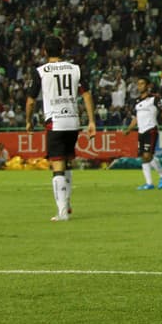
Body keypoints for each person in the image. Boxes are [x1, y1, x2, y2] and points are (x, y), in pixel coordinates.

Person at [24, 35, 97, 222]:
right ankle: (67, 203)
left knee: (57, 166)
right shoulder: (75, 69)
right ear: (62, 50)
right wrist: (91, 121)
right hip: (73, 121)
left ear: (44, 51)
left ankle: (62, 212)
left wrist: (28, 121)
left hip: (55, 122)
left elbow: (31, 101)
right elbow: (87, 95)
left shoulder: (40, 71)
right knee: (67, 162)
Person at [126, 77, 162, 190]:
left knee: (147, 155)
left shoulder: (154, 99)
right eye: (138, 84)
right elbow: (136, 118)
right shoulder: (137, 101)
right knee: (143, 157)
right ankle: (149, 183)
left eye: (142, 84)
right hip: (141, 131)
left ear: (148, 85)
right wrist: (129, 129)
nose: (139, 86)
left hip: (151, 129)